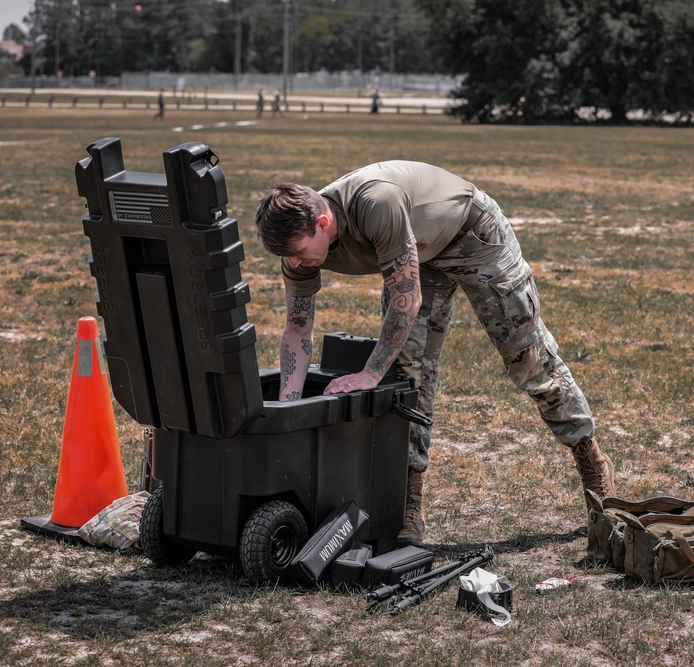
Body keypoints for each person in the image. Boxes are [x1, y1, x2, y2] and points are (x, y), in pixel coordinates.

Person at [253, 161, 616, 547]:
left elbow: (405, 303)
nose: (295, 263)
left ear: (323, 223)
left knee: (530, 363)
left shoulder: (377, 202)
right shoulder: (293, 245)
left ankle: (590, 459)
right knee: (410, 379)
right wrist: (288, 409)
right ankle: (410, 502)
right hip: (418, 257)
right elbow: (296, 329)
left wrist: (371, 373)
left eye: (299, 252)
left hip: (473, 236)